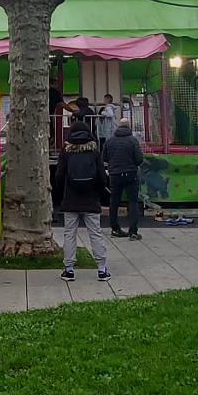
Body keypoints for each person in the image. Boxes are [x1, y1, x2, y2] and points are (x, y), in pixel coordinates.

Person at [53, 121, 111, 282]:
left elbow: (59, 175)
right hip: (91, 199)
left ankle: (69, 269)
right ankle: (102, 269)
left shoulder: (66, 151)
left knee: (69, 234)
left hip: (70, 199)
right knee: (95, 233)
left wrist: (61, 193)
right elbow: (102, 176)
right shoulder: (94, 151)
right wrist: (99, 192)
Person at [102, 117, 144, 241]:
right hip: (130, 174)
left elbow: (104, 157)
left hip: (115, 174)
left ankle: (115, 229)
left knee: (114, 202)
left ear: (118, 127)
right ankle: (133, 232)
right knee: (133, 202)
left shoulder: (110, 141)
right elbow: (139, 159)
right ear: (129, 126)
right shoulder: (133, 141)